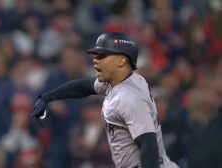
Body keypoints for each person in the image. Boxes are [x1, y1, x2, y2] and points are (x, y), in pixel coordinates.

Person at [31, 32, 179, 168]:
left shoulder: (131, 97)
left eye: (103, 56)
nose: (95, 60)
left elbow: (148, 143)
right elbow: (83, 86)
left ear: (121, 61)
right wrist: (49, 96)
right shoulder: (117, 82)